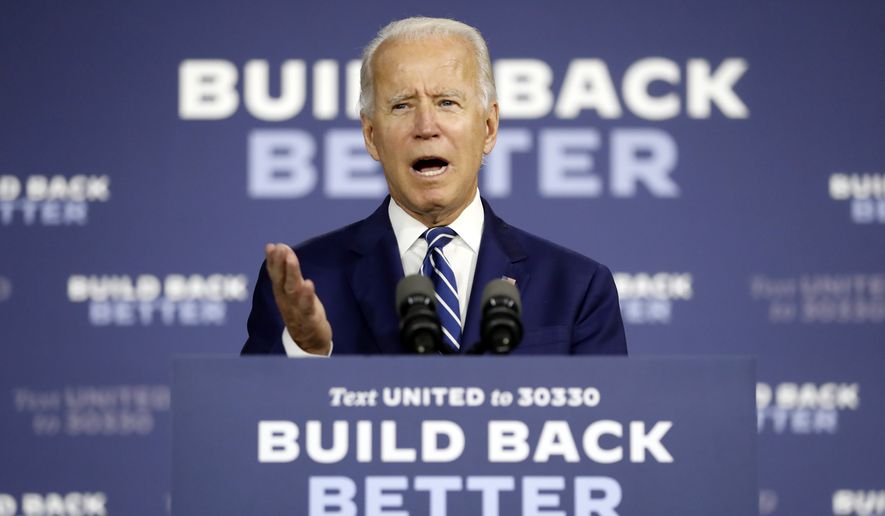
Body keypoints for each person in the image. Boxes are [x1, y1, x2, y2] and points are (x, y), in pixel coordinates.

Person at [241, 17, 627, 356]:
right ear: (371, 135)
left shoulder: (577, 287)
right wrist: (307, 354)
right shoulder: (307, 281)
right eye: (402, 106)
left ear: (489, 128)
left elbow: (607, 427)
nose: (426, 127)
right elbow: (256, 424)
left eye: (447, 102)